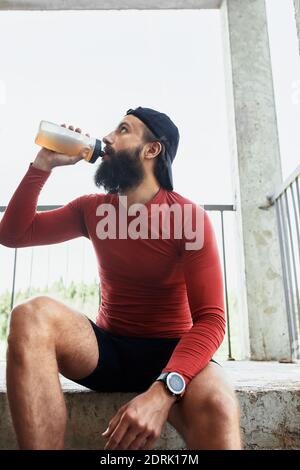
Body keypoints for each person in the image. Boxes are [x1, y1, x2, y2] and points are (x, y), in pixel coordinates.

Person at [0, 107, 242, 450]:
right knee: (30, 314)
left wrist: (163, 391)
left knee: (219, 402)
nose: (108, 138)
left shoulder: (189, 218)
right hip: (108, 352)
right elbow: (13, 234)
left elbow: (212, 320)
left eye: (123, 130)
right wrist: (43, 165)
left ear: (151, 150)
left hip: (172, 352)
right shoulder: (92, 209)